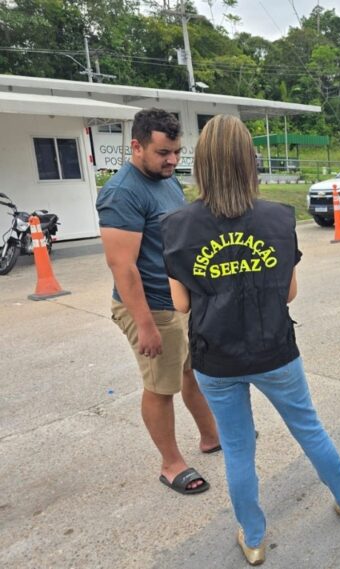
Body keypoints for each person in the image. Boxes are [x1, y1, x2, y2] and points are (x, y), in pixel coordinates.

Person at [160, 115, 340, 566]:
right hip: (275, 349)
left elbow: (180, 305)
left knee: (237, 449)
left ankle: (253, 538)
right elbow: (289, 292)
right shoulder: (277, 217)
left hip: (215, 357)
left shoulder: (178, 227)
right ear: (250, 163)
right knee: (309, 430)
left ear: (202, 165)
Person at [96, 108, 219, 496]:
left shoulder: (168, 183)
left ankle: (211, 437)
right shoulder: (122, 192)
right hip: (149, 307)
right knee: (160, 385)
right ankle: (171, 464)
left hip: (177, 302)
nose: (172, 161)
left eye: (177, 152)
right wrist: (145, 324)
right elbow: (123, 267)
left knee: (190, 373)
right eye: (163, 152)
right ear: (136, 146)